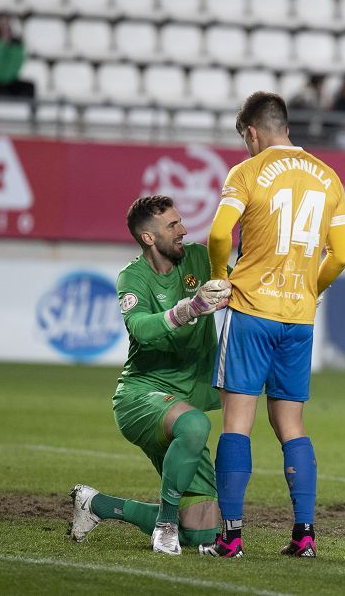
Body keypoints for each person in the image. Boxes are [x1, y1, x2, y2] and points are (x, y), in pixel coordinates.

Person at [202, 92, 345, 559]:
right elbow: (341, 255)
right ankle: (304, 534)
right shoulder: (329, 177)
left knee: (237, 422)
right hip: (298, 320)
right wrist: (312, 289)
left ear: (251, 132)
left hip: (250, 313)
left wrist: (220, 278)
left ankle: (231, 536)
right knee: (291, 423)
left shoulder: (245, 173)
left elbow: (220, 233)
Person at [69, 195, 232, 555]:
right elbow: (140, 328)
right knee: (195, 426)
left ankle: (97, 505)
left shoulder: (200, 259)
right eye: (172, 226)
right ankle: (164, 523)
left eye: (180, 222)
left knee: (203, 534)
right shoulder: (133, 277)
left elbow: (240, 287)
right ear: (148, 238)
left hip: (183, 401)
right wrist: (188, 310)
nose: (183, 230)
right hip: (140, 398)